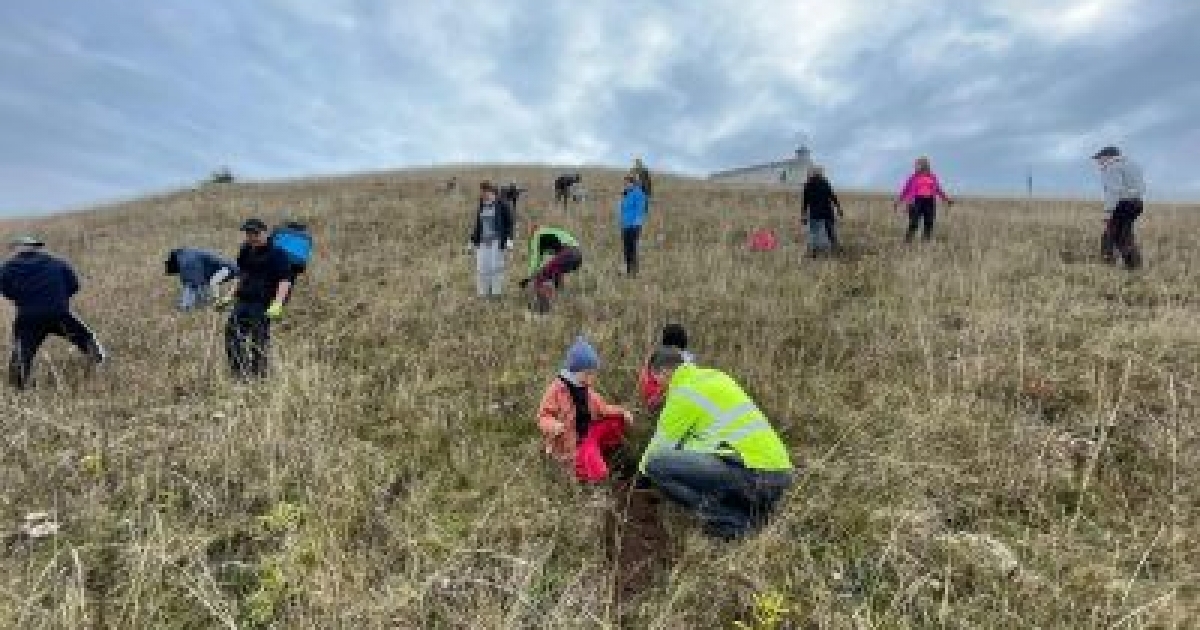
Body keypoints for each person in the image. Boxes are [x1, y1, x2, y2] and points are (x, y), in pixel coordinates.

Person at [638, 347, 793, 541]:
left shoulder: (684, 393)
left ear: (664, 372)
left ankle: (734, 523)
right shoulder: (715, 377)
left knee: (656, 465)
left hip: (753, 475)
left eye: (656, 378)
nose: (657, 384)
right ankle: (754, 513)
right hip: (778, 478)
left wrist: (640, 480)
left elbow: (660, 448)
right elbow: (700, 443)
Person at [0, 235, 106, 389]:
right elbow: (74, 285)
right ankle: (101, 366)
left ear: (17, 250)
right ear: (37, 248)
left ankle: (18, 387)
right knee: (87, 339)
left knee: (21, 354)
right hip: (59, 313)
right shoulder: (58, 263)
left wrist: (21, 298)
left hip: (28, 317)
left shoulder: (7, 268)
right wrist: (57, 299)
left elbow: (4, 290)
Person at [536, 336, 634, 482]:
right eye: (588, 373)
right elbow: (543, 417)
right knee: (600, 473)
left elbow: (603, 409)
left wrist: (623, 412)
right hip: (572, 445)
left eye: (592, 373)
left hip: (588, 433)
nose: (591, 377)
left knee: (617, 421)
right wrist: (554, 426)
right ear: (575, 371)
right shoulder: (556, 390)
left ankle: (604, 450)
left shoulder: (586, 390)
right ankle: (585, 474)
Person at [216, 219, 292, 380]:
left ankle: (260, 377)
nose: (252, 237)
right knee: (232, 335)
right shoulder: (245, 250)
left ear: (265, 233)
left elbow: (285, 281)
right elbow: (241, 274)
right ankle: (240, 374)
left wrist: (278, 304)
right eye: (248, 233)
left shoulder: (278, 254)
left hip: (264, 304)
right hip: (243, 300)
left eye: (255, 233)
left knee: (258, 340)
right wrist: (229, 296)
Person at [1093, 146, 1145, 269]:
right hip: (1137, 203)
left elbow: (1113, 191)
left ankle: (1108, 265)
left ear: (1108, 157)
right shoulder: (1132, 165)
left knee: (1109, 235)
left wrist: (1108, 212)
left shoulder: (1112, 167)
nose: (1098, 161)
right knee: (1124, 235)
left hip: (1121, 204)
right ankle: (1134, 265)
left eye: (1100, 158)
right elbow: (1142, 187)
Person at [519, 225, 582, 314]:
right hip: (577, 255)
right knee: (554, 273)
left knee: (541, 277)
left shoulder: (538, 236)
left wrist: (529, 277)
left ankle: (542, 308)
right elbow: (548, 263)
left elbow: (535, 259)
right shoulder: (551, 233)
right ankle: (560, 297)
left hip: (569, 253)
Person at [468, 181, 515, 298]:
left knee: (496, 267)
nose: (483, 195)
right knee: (482, 267)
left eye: (485, 192)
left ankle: (496, 293)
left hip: (497, 242)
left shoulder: (502, 204)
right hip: (483, 242)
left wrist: (509, 239)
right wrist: (472, 241)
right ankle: (483, 293)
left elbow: (509, 223)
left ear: (492, 191)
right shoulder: (482, 204)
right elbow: (479, 224)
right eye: (482, 192)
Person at [637, 324, 695, 414]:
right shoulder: (683, 356)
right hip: (667, 401)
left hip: (650, 399)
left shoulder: (653, 354)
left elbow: (643, 378)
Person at [894, 156, 953, 242]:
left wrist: (946, 199)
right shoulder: (913, 177)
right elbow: (905, 189)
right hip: (916, 201)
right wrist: (898, 201)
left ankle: (925, 241)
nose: (915, 166)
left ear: (924, 165)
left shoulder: (932, 177)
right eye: (915, 165)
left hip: (930, 201)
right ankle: (907, 240)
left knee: (929, 222)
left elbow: (938, 189)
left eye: (917, 164)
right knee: (914, 222)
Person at [164, 248, 238, 311]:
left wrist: (184, 305)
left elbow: (192, 285)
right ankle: (208, 302)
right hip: (226, 268)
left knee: (212, 283)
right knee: (207, 284)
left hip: (227, 269)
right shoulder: (184, 256)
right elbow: (194, 282)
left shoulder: (187, 262)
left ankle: (217, 302)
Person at [800, 165, 844, 257]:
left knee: (814, 233)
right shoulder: (825, 182)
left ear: (812, 174)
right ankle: (837, 249)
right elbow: (833, 196)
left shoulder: (808, 185)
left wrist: (803, 215)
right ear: (821, 174)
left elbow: (805, 202)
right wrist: (839, 208)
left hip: (815, 214)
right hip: (827, 212)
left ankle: (814, 252)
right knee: (831, 232)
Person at [619, 174, 649, 276]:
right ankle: (628, 270)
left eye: (627, 183)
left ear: (633, 183)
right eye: (625, 183)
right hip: (625, 226)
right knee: (626, 249)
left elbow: (640, 210)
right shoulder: (626, 193)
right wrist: (621, 222)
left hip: (634, 226)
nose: (626, 184)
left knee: (632, 249)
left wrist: (636, 224)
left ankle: (634, 272)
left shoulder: (639, 194)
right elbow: (622, 209)